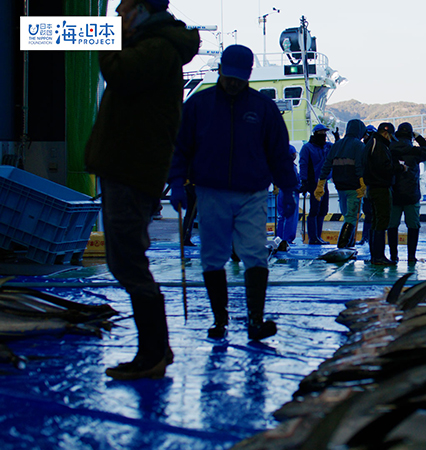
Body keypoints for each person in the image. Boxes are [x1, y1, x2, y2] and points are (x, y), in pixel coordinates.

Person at [83, 0, 199, 380]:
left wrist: (109, 40)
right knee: (126, 259)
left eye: (125, 7)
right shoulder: (155, 47)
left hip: (131, 169)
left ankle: (152, 353)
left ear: (143, 11)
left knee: (128, 261)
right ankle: (156, 348)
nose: (118, 12)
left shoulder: (157, 49)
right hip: (128, 167)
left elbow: (119, 74)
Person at [169, 44, 298, 341]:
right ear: (220, 71)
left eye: (239, 78)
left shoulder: (263, 108)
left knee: (255, 254)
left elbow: (278, 152)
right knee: (213, 256)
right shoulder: (198, 106)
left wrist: (289, 188)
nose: (233, 83)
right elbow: (180, 147)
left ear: (249, 75)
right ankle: (220, 320)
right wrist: (176, 181)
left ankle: (255, 320)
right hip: (210, 191)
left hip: (252, 193)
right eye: (229, 77)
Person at [387, 123, 426, 263]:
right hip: (411, 195)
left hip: (393, 195)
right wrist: (418, 137)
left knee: (392, 226)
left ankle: (393, 256)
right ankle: (411, 256)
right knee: (413, 226)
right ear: (410, 136)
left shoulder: (389, 149)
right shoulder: (414, 151)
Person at [315, 119, 367, 248]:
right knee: (351, 217)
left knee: (346, 214)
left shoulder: (337, 145)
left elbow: (327, 165)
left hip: (339, 186)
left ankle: (348, 244)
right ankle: (343, 245)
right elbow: (359, 166)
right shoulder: (359, 146)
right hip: (354, 187)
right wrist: (362, 183)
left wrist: (321, 183)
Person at [363, 122, 405, 265]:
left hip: (372, 188)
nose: (391, 140)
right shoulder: (379, 146)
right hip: (380, 187)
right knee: (382, 221)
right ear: (386, 133)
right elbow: (384, 167)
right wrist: (400, 167)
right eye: (390, 136)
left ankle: (375, 255)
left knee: (375, 221)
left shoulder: (371, 143)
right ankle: (379, 256)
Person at [300, 124, 332, 244]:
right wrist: (304, 181)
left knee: (323, 209)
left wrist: (337, 138)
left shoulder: (327, 146)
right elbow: (303, 164)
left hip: (324, 182)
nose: (324, 135)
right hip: (313, 182)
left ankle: (318, 236)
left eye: (325, 132)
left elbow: (337, 149)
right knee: (314, 210)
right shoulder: (307, 148)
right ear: (315, 134)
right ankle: (313, 237)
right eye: (321, 132)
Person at [356, 125, 378, 246]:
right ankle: (366, 237)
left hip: (375, 185)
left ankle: (370, 237)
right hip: (367, 185)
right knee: (369, 213)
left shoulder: (375, 148)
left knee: (373, 214)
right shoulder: (363, 148)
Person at [276, 145, 301, 244]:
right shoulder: (291, 167)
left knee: (281, 216)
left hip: (281, 192)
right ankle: (287, 239)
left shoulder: (280, 165)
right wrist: (301, 187)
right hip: (291, 193)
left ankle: (279, 238)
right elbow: (294, 182)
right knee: (291, 217)